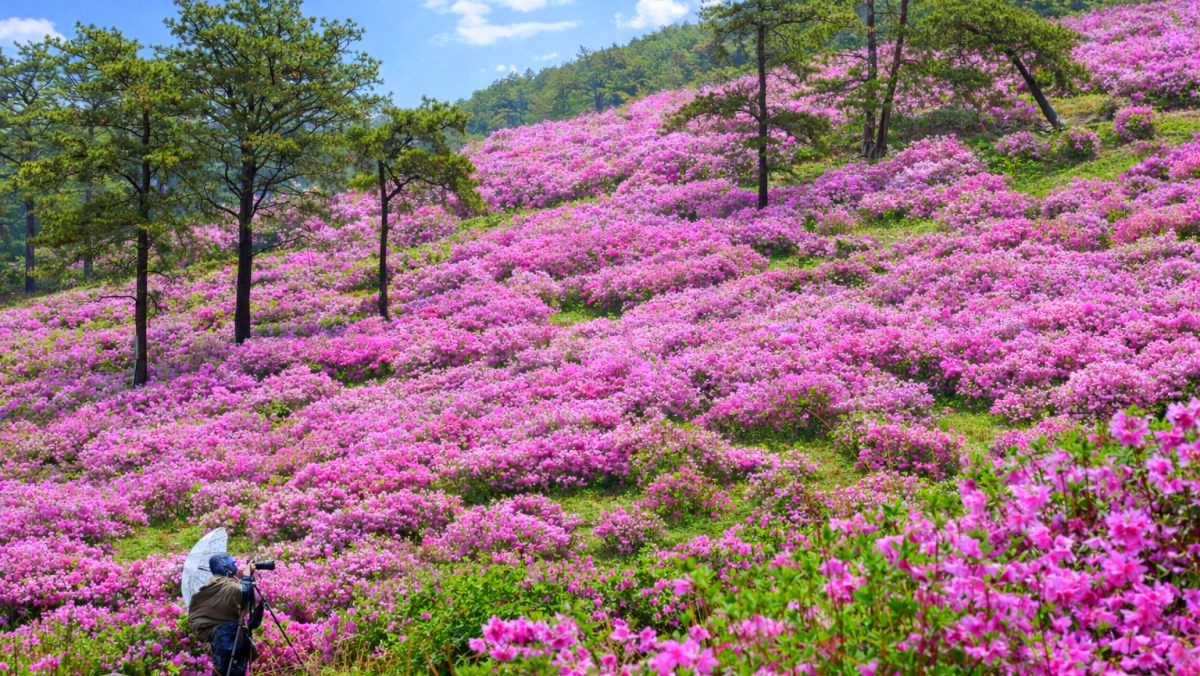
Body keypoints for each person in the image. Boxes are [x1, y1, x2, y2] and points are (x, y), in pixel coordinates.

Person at [188, 553, 264, 676]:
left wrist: (244, 578)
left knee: (229, 668)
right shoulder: (224, 584)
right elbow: (242, 592)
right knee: (230, 669)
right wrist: (246, 577)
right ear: (226, 567)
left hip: (223, 634)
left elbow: (245, 599)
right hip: (225, 635)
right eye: (233, 564)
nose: (236, 566)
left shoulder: (218, 583)